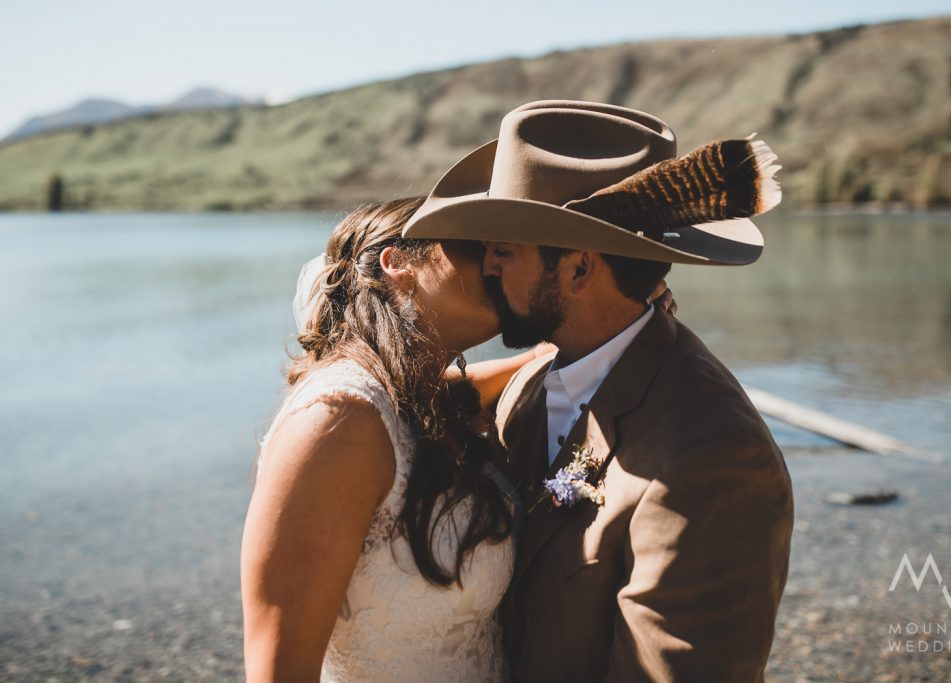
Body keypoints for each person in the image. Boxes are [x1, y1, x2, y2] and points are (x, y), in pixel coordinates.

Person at [402, 100, 795, 681]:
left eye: (503, 250)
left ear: (580, 269)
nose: (485, 267)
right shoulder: (539, 376)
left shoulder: (711, 458)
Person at [240, 197, 550, 682]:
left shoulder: (423, 397)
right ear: (398, 262)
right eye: (473, 245)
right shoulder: (338, 422)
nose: (494, 258)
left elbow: (513, 371)